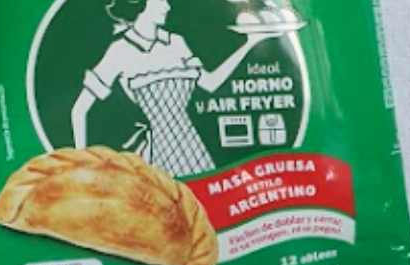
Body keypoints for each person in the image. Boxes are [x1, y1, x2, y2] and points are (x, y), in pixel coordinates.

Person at [71, 0, 281, 177]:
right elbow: (79, 110)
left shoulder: (176, 43)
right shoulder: (120, 50)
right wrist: (81, 163)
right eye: (161, 0)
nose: (168, 6)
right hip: (156, 156)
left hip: (193, 149)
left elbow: (211, 83)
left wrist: (249, 44)